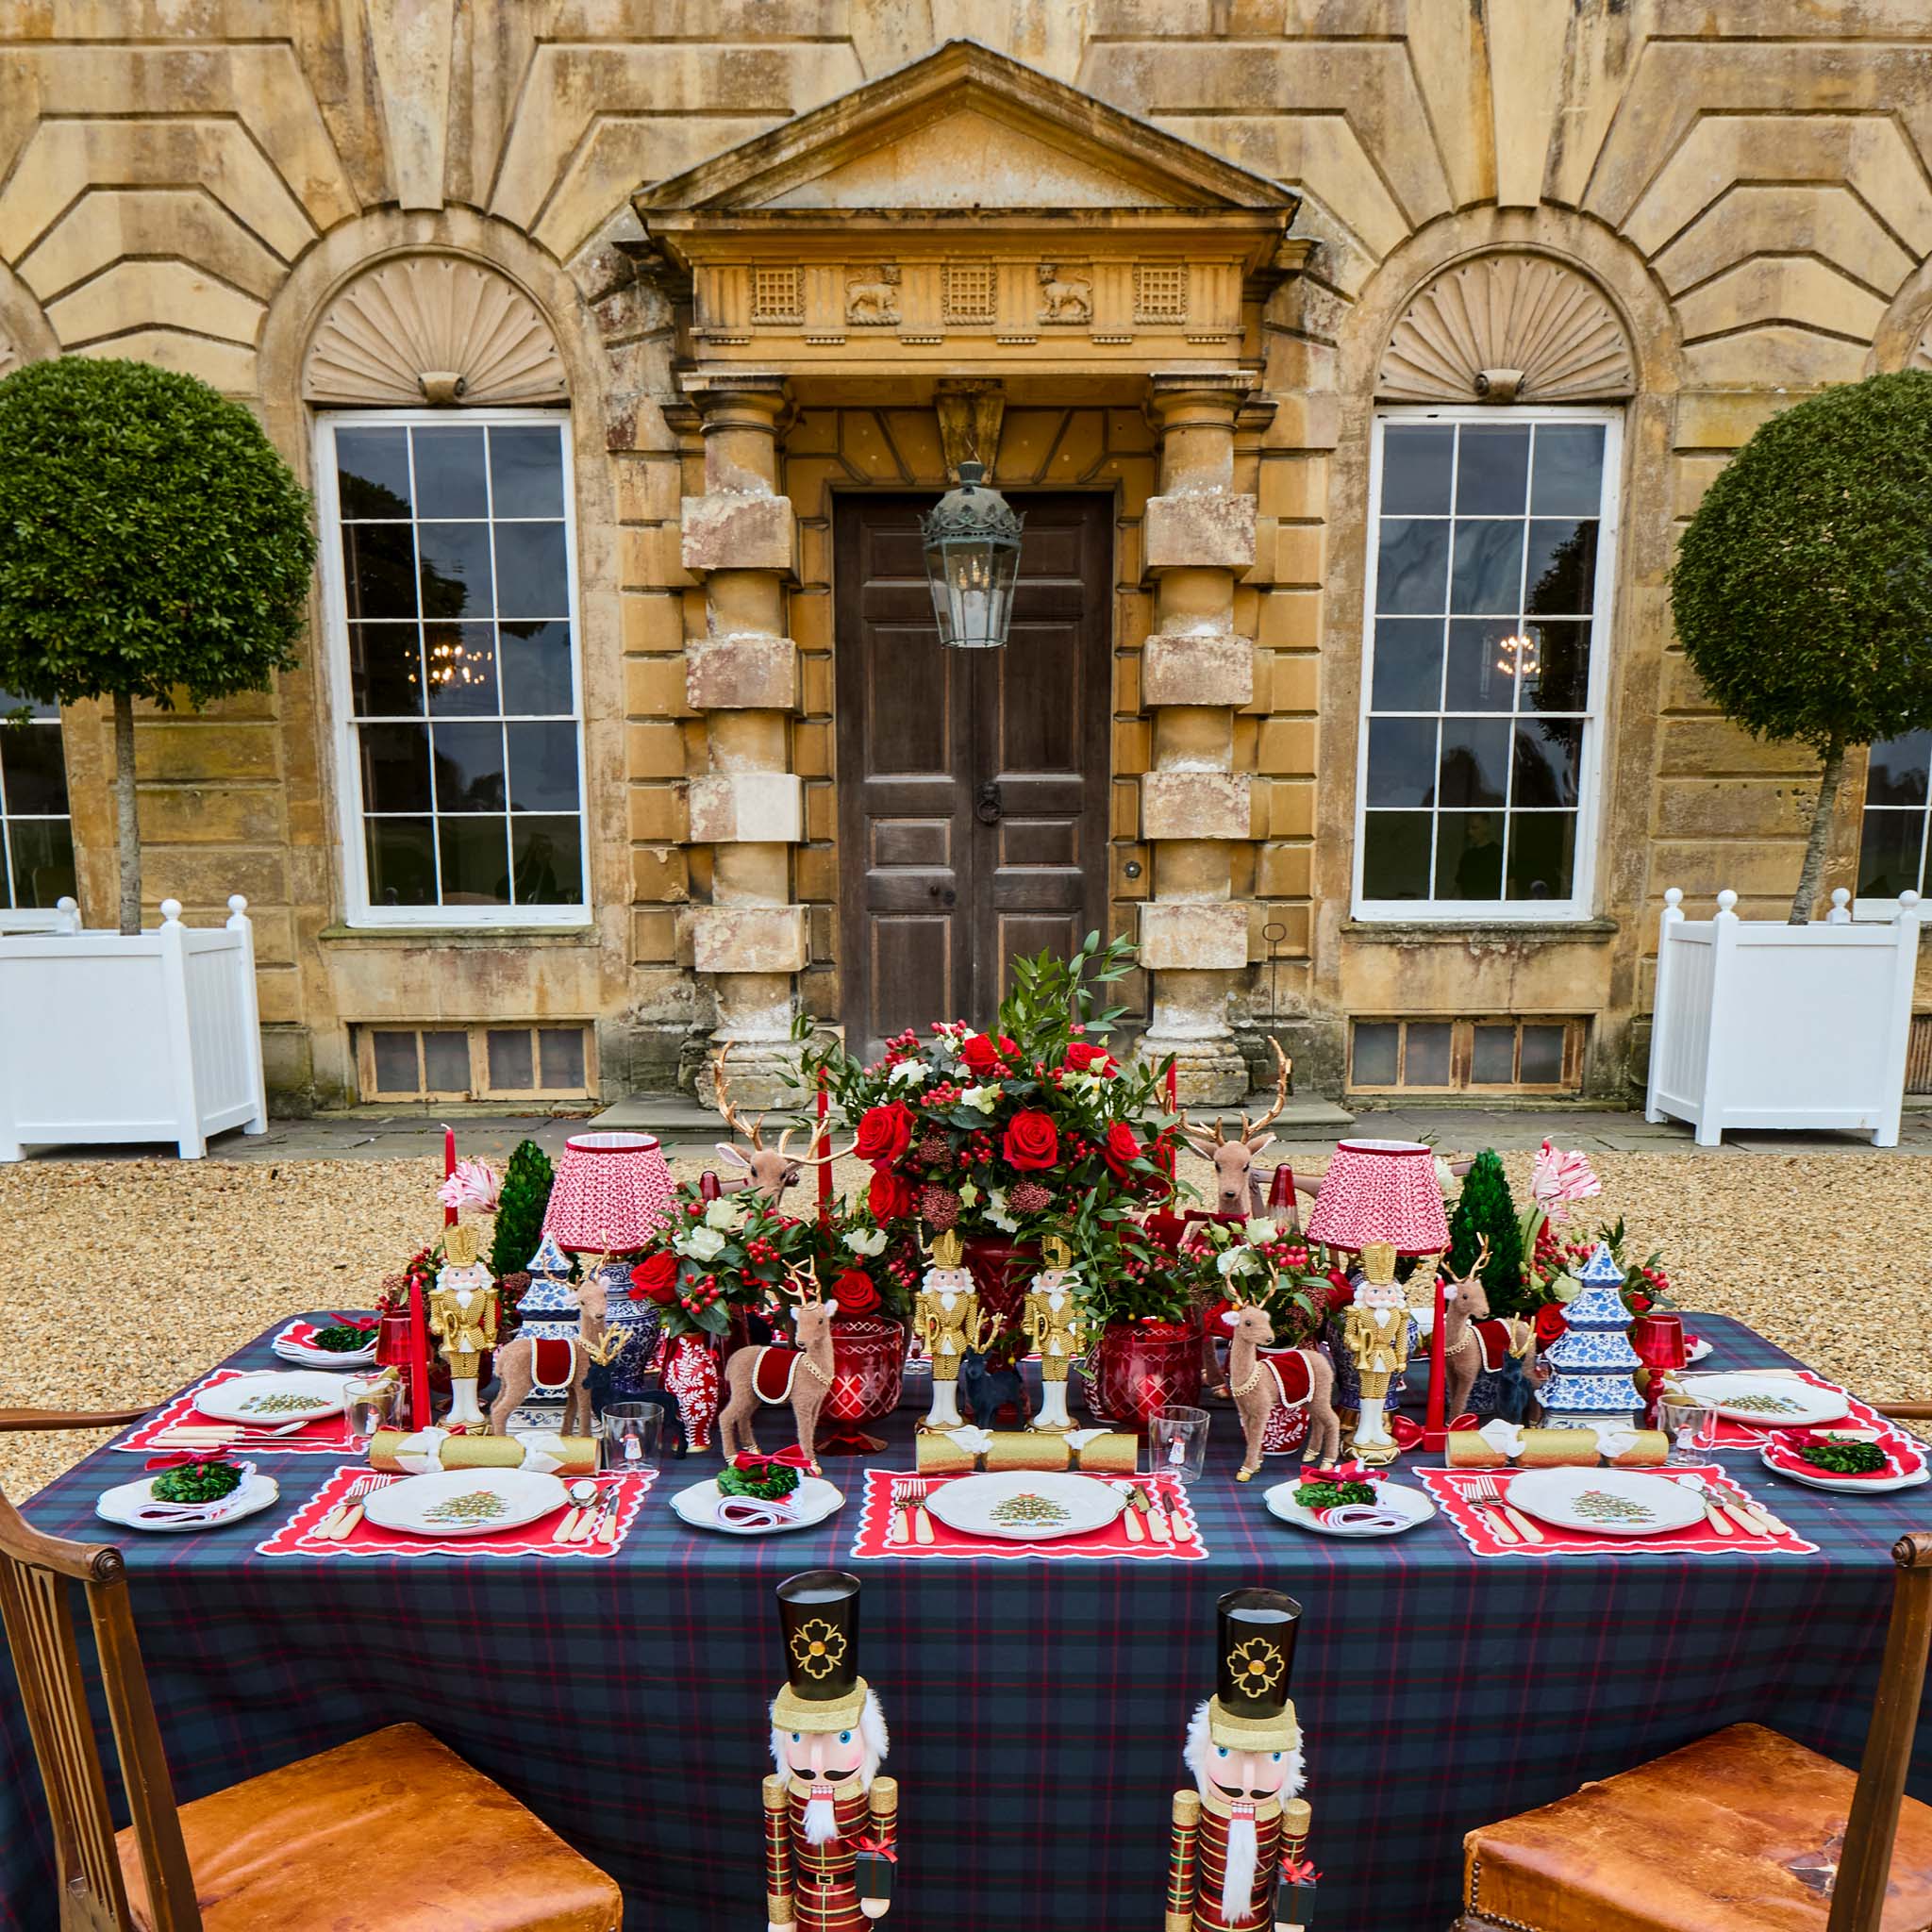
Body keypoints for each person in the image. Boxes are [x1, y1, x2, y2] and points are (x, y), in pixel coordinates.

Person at [764, 1571, 897, 1931]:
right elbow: (778, 1858)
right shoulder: (785, 1792)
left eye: (840, 1738)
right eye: (799, 1739)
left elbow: (879, 1840)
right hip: (806, 1901)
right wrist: (781, 1916)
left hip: (851, 1903)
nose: (817, 1763)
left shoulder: (865, 1793)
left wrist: (876, 1891)